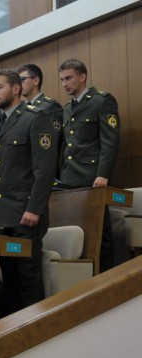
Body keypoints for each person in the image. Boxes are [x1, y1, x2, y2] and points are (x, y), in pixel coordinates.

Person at [0, 69, 57, 315]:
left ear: (16, 89)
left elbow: (44, 170)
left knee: (28, 279)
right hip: (1, 217)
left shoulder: (36, 118)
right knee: (9, 280)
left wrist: (34, 208)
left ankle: (36, 331)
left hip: (25, 215)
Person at [59, 58, 120, 273]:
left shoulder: (101, 101)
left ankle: (105, 275)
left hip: (92, 176)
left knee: (98, 231)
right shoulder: (68, 108)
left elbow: (110, 142)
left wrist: (103, 174)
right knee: (78, 231)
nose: (65, 83)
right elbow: (66, 146)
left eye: (69, 78)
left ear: (82, 77)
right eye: (62, 79)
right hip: (69, 179)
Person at [17, 63, 64, 143]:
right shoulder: (20, 108)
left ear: (36, 81)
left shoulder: (51, 106)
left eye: (22, 80)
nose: (19, 85)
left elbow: (55, 141)